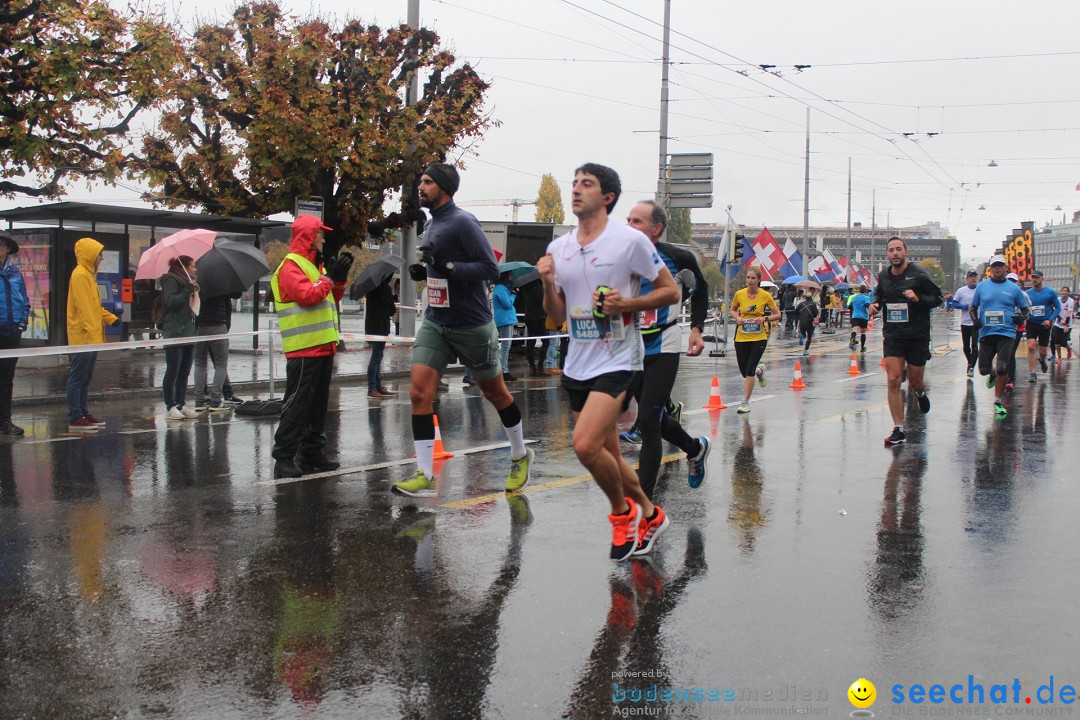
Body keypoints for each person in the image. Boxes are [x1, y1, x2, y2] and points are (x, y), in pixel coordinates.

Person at [537, 162, 679, 561]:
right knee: (612, 457)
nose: (577, 189)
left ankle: (623, 516)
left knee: (584, 446)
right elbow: (557, 317)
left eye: (588, 184)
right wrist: (547, 282)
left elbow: (670, 292)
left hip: (619, 358)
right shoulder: (558, 248)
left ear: (608, 197)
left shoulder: (629, 242)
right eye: (575, 182)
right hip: (577, 362)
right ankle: (651, 514)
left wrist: (626, 303)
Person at [393, 163, 533, 497]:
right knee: (418, 393)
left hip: (472, 325)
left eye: (427, 182)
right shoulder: (430, 224)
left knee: (495, 393)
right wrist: (426, 271)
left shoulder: (463, 222)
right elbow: (440, 268)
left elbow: (489, 269)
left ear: (444, 187)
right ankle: (425, 475)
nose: (421, 187)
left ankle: (519, 453)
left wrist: (451, 267)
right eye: (421, 181)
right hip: (437, 322)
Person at [623, 199, 711, 496]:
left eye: (637, 221)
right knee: (657, 419)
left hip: (665, 345)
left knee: (647, 421)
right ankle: (694, 448)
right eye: (628, 220)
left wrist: (697, 329)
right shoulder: (619, 259)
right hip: (632, 347)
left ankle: (645, 507)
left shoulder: (677, 257)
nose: (629, 226)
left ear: (656, 228)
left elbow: (701, 289)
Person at [270, 215, 352, 479]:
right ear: (308, 235)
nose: (324, 238)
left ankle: (311, 455)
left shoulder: (309, 265)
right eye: (320, 233)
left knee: (316, 406)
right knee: (297, 405)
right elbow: (307, 296)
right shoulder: (291, 266)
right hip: (304, 349)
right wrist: (330, 279)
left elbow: (328, 296)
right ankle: (283, 458)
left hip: (321, 347)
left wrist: (338, 279)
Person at [867, 236, 943, 446]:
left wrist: (918, 298)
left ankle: (919, 392)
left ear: (906, 252)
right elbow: (878, 296)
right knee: (893, 379)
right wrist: (874, 305)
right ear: (887, 254)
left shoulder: (918, 275)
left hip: (917, 335)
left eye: (898, 249)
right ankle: (898, 429)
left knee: (915, 381)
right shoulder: (884, 276)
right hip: (893, 335)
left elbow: (937, 298)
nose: (895, 253)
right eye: (891, 250)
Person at [66, 237, 120, 431]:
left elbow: (94, 307)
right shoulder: (80, 275)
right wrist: (92, 336)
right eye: (99, 254)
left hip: (90, 339)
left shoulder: (88, 275)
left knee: (85, 378)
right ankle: (75, 416)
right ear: (90, 255)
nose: (102, 258)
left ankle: (82, 411)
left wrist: (110, 318)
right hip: (83, 339)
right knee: (78, 377)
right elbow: (84, 309)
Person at [970, 255, 1029, 418]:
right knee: (983, 371)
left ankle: (997, 401)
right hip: (986, 333)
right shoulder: (982, 287)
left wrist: (1021, 318)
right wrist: (975, 320)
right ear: (990, 269)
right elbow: (973, 307)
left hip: (1007, 333)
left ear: (1005, 268)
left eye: (1000, 266)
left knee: (1003, 367)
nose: (997, 268)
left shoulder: (1014, 288)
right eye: (994, 266)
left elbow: (1025, 310)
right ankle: (992, 373)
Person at [730, 265, 781, 414]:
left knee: (749, 371)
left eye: (753, 278)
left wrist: (764, 318)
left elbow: (777, 314)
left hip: (759, 336)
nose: (750, 281)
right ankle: (760, 371)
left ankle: (745, 402)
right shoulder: (739, 294)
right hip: (741, 336)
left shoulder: (765, 296)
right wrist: (738, 317)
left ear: (759, 280)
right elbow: (733, 310)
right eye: (748, 277)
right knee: (744, 372)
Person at [160, 256, 201, 420]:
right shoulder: (170, 280)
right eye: (193, 266)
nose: (195, 269)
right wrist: (186, 290)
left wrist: (193, 289)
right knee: (173, 370)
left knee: (184, 371)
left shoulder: (189, 281)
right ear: (184, 266)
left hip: (188, 331)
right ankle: (170, 406)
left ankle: (180, 403)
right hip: (175, 332)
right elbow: (171, 302)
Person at [0, 233, 29, 435]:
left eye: (1, 246)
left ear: (8, 249)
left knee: (6, 378)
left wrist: (22, 322)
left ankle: (5, 421)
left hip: (11, 332)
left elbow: (24, 300)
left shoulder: (15, 272)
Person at [193, 292, 242, 411]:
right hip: (218, 325)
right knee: (221, 364)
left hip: (201, 326)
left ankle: (199, 400)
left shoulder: (198, 283)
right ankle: (216, 400)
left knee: (200, 364)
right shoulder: (222, 284)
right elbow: (237, 294)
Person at [1023, 270, 1061, 384]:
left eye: (1037, 277)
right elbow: (1023, 307)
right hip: (1031, 323)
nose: (1034, 279)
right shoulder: (1027, 293)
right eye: (1032, 277)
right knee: (1031, 346)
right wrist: (1025, 316)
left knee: (1043, 351)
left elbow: (1058, 308)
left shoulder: (1050, 292)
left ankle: (1042, 360)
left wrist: (1050, 320)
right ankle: (1033, 373)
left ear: (1042, 279)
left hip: (1045, 324)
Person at [364, 274, 397, 399]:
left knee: (377, 356)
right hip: (380, 327)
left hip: (372, 326)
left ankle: (377, 386)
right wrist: (392, 299)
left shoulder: (371, 289)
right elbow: (391, 310)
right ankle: (372, 387)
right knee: (376, 357)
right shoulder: (384, 289)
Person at [946, 271, 980, 377]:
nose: (973, 279)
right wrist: (964, 307)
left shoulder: (980, 290)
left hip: (976, 322)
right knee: (966, 346)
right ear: (967, 279)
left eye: (975, 277)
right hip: (965, 322)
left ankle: (971, 368)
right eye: (971, 277)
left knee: (974, 345)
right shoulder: (961, 291)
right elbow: (954, 303)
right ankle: (969, 362)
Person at [492, 270, 518, 381]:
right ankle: (503, 370)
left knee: (506, 345)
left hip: (506, 319)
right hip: (504, 319)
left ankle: (503, 369)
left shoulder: (502, 288)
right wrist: (513, 295)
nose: (511, 276)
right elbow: (507, 304)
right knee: (505, 345)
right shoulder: (501, 289)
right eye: (510, 274)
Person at [847, 285, 873, 353]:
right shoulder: (866, 297)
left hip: (855, 315)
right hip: (863, 316)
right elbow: (867, 305)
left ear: (859, 290)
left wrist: (856, 308)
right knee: (863, 332)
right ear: (865, 291)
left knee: (854, 330)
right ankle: (862, 348)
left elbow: (850, 306)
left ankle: (852, 339)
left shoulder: (854, 298)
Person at [795, 289, 820, 356]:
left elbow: (796, 311)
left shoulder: (801, 304)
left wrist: (800, 316)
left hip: (802, 321)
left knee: (803, 333)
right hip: (809, 322)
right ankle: (805, 350)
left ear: (805, 298)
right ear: (811, 298)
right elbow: (815, 313)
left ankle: (802, 336)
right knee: (809, 337)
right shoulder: (813, 304)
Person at [1052, 286, 1074, 362]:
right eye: (1063, 291)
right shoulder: (1058, 300)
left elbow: (1069, 312)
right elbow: (1056, 311)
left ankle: (1069, 349)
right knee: (1056, 341)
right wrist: (1060, 319)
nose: (1064, 293)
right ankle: (1059, 357)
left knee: (1063, 342)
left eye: (1066, 291)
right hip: (1058, 323)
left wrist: (1066, 324)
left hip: (1067, 323)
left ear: (1068, 293)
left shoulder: (1071, 301)